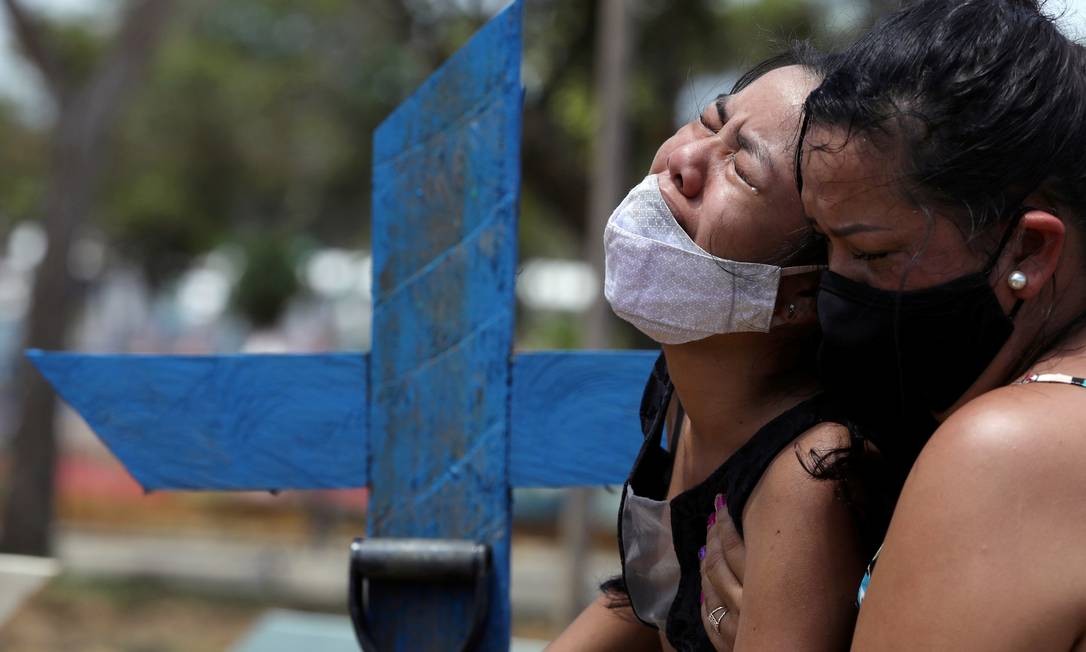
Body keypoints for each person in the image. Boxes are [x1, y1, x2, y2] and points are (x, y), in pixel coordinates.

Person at [700, 1, 1086, 649]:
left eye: (875, 255)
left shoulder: (1006, 449)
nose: (837, 289)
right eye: (823, 246)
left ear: (1029, 251)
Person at [548, 46, 893, 652]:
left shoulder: (810, 474)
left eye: (744, 171)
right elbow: (650, 596)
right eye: (708, 124)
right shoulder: (683, 384)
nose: (682, 159)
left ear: (802, 293)